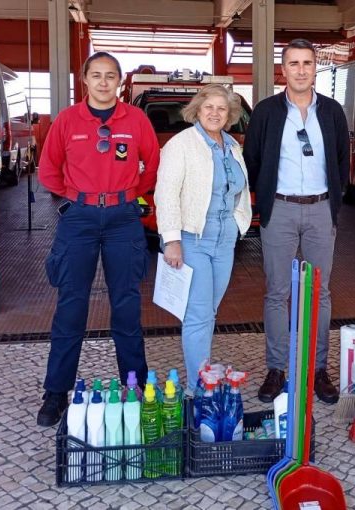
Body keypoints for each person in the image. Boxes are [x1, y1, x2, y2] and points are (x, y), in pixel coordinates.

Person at [36, 52, 160, 426]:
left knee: (126, 305)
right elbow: (48, 170)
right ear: (85, 79)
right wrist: (77, 199)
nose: (103, 82)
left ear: (119, 82)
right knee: (71, 306)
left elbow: (153, 165)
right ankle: (56, 392)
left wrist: (127, 194)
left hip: (124, 219)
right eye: (96, 75)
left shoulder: (135, 119)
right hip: (79, 220)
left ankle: (135, 386)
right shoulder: (67, 120)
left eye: (110, 76)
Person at [244, 38, 350, 404]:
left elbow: (342, 160)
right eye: (294, 63)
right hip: (281, 209)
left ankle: (318, 369)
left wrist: (334, 200)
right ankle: (277, 369)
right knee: (277, 292)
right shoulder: (266, 111)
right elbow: (253, 158)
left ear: (315, 68)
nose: (301, 70)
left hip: (320, 209)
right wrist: (265, 198)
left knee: (320, 292)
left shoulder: (332, 111)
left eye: (307, 63)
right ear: (283, 69)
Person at [154, 84, 252, 395]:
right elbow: (166, 193)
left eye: (222, 108)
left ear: (230, 114)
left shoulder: (232, 146)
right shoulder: (181, 144)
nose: (215, 113)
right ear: (197, 110)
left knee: (209, 311)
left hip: (225, 240)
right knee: (198, 314)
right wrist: (171, 240)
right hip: (192, 238)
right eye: (209, 107)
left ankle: (203, 371)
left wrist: (238, 224)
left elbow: (238, 190)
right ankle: (197, 389)